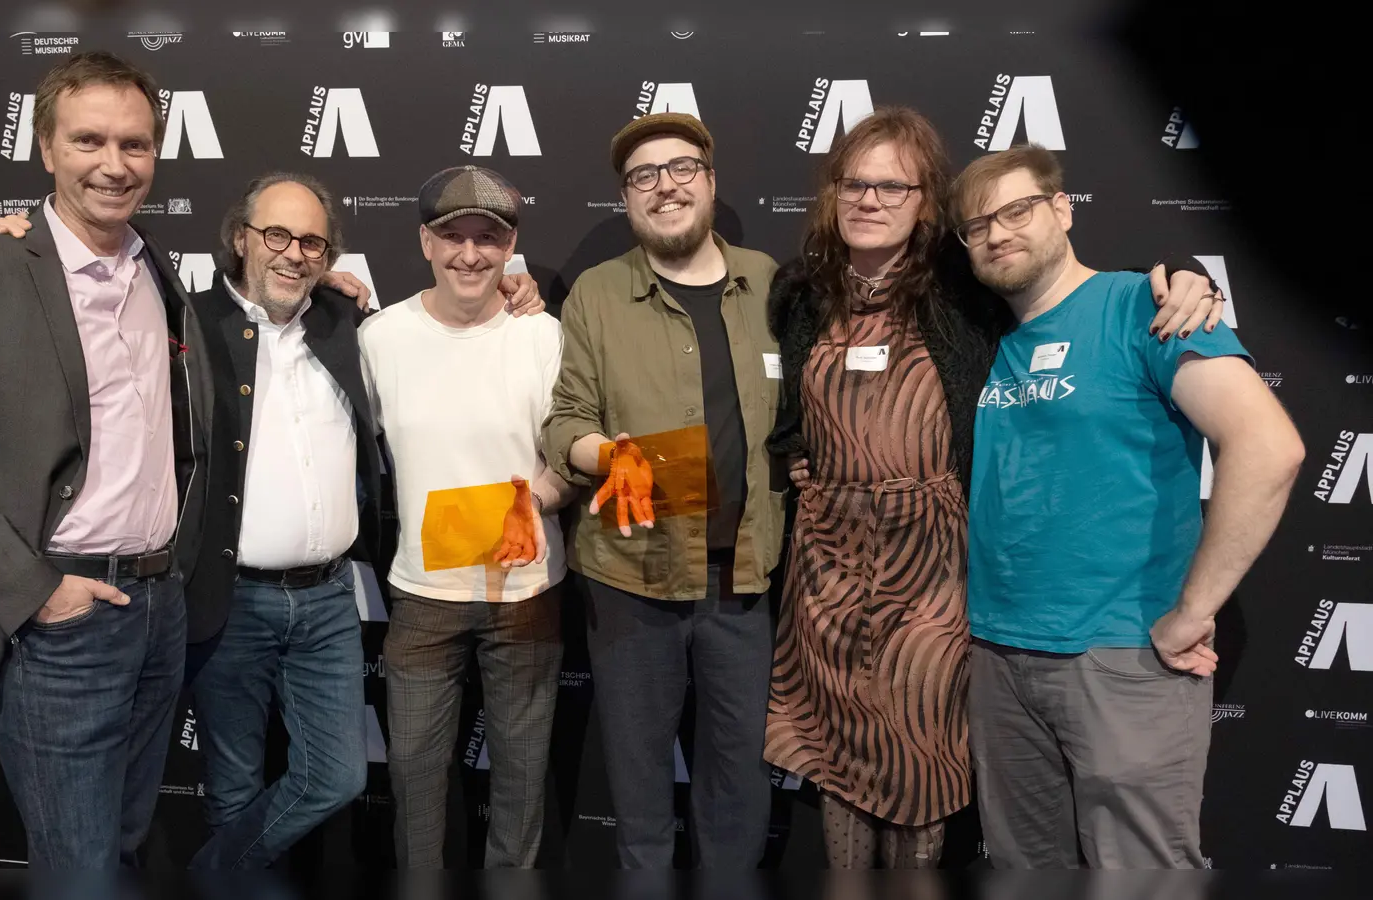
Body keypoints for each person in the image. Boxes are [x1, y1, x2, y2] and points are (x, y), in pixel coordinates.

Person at [0, 174, 544, 869]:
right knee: (234, 788)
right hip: (228, 600)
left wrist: (517, 290)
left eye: (311, 241)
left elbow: (451, 334)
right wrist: (11, 245)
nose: (292, 253)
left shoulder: (347, 323)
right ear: (239, 237)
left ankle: (212, 876)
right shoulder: (181, 319)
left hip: (331, 600)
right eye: (276, 234)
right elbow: (82, 304)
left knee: (340, 776)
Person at [762, 107, 1228, 868]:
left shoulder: (964, 288)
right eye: (854, 182)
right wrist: (799, 456)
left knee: (919, 749)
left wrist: (1186, 280)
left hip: (934, 564)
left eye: (892, 185)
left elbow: (1059, 290)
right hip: (827, 560)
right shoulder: (801, 293)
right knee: (840, 751)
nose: (869, 199)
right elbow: (788, 408)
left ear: (925, 205)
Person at [0, 51, 214, 867]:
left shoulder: (158, 269)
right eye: (89, 141)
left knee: (124, 846)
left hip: (157, 608)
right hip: (58, 621)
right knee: (79, 861)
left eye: (135, 145)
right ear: (45, 149)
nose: (114, 164)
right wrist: (39, 593)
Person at [951, 145, 1303, 868]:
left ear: (1061, 208)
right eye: (977, 223)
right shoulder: (983, 340)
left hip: (1122, 655)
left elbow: (1269, 448)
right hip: (997, 655)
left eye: (1016, 209)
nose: (996, 232)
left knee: (1142, 876)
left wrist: (1194, 610)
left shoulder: (1143, 305)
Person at [542, 113, 784, 868]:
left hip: (741, 582)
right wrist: (601, 451)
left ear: (710, 182)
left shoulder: (768, 282)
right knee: (639, 786)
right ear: (626, 198)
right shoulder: (596, 294)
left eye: (681, 168)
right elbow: (565, 420)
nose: (665, 186)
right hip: (631, 579)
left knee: (738, 779)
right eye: (643, 176)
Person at [360, 165, 575, 868]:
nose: (471, 254)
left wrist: (535, 499)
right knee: (416, 790)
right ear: (425, 241)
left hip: (528, 596)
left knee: (521, 790)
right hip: (422, 599)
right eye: (454, 236)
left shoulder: (543, 336)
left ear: (510, 247)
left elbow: (572, 456)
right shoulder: (379, 338)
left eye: (490, 238)